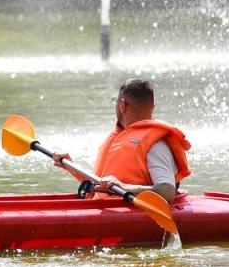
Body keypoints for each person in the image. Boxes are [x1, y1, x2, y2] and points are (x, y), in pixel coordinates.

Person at [55, 77, 190, 205]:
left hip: (125, 217)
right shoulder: (118, 138)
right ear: (152, 107)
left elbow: (167, 192)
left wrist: (123, 186)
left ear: (122, 105)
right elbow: (102, 185)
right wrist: (71, 166)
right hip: (103, 210)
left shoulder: (156, 145)